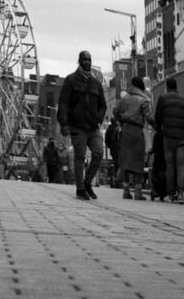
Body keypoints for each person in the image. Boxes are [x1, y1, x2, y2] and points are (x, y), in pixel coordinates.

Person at [58, 50, 106, 201]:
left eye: (89, 60)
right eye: (85, 60)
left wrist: (98, 118)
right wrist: (64, 124)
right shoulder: (71, 80)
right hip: (77, 125)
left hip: (93, 126)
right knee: (80, 156)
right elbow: (63, 103)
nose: (87, 62)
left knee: (98, 152)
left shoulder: (96, 83)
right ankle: (80, 189)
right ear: (79, 61)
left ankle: (87, 182)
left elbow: (103, 105)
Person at [113, 75, 155, 200]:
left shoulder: (124, 99)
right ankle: (138, 192)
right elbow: (149, 117)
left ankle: (126, 191)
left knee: (125, 161)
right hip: (137, 131)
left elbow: (115, 111)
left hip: (125, 131)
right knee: (137, 160)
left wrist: (121, 120)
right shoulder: (143, 100)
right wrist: (156, 126)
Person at [154, 76, 184, 204]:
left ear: (167, 87)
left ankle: (170, 193)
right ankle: (181, 193)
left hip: (168, 137)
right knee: (180, 166)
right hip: (181, 138)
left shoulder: (162, 99)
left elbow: (158, 117)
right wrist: (182, 130)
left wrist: (160, 130)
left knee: (170, 166)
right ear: (176, 87)